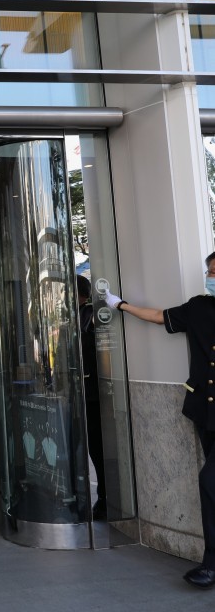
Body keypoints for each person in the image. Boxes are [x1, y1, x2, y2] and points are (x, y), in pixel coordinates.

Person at [104, 252, 215, 588]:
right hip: (205, 410)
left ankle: (211, 564)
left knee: (210, 483)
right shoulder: (199, 307)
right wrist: (120, 305)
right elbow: (157, 316)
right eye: (210, 270)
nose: (211, 275)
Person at [77, 274, 106, 520]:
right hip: (83, 393)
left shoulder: (88, 314)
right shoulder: (75, 315)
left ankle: (105, 500)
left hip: (95, 394)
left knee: (98, 448)